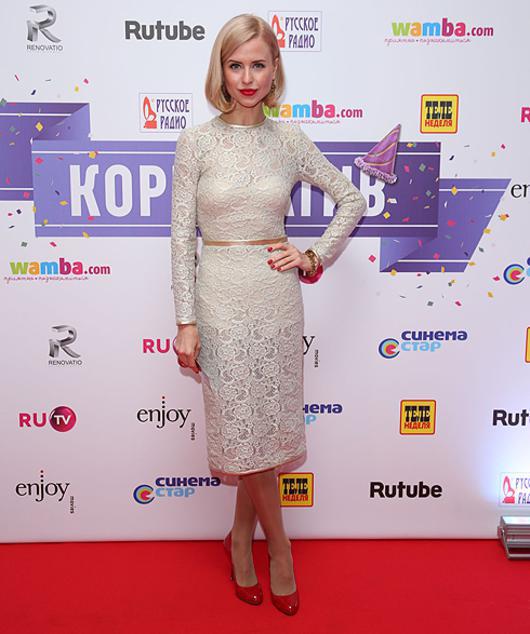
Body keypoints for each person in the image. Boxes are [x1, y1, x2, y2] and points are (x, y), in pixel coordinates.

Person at [171, 13, 367, 616]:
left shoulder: (289, 139)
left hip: (277, 301)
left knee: (264, 431)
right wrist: (185, 320)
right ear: (220, 71)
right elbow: (181, 239)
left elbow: (351, 198)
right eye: (236, 65)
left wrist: (312, 256)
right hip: (218, 302)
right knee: (242, 427)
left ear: (275, 68)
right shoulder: (196, 142)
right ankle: (279, 549)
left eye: (258, 64)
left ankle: (239, 540)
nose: (247, 77)